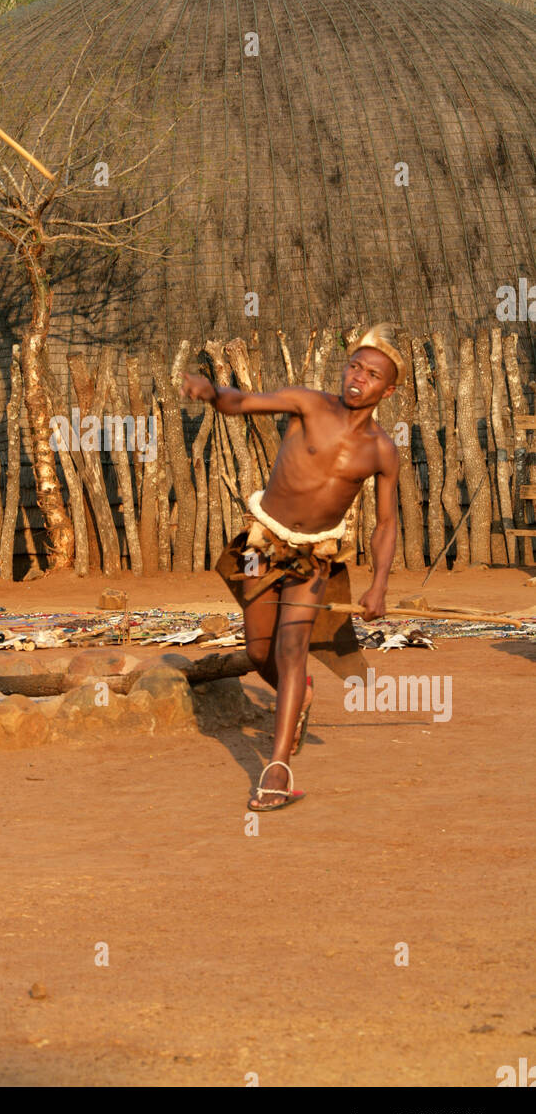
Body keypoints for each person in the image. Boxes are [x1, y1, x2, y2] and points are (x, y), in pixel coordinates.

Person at [180, 325, 402, 811]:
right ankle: (295, 695)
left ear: (389, 389)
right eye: (355, 367)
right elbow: (243, 402)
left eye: (372, 375)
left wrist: (379, 585)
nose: (357, 378)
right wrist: (213, 392)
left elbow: (386, 524)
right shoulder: (308, 404)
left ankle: (276, 769)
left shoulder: (382, 450)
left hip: (314, 553)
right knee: (261, 652)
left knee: (291, 645)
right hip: (262, 541)